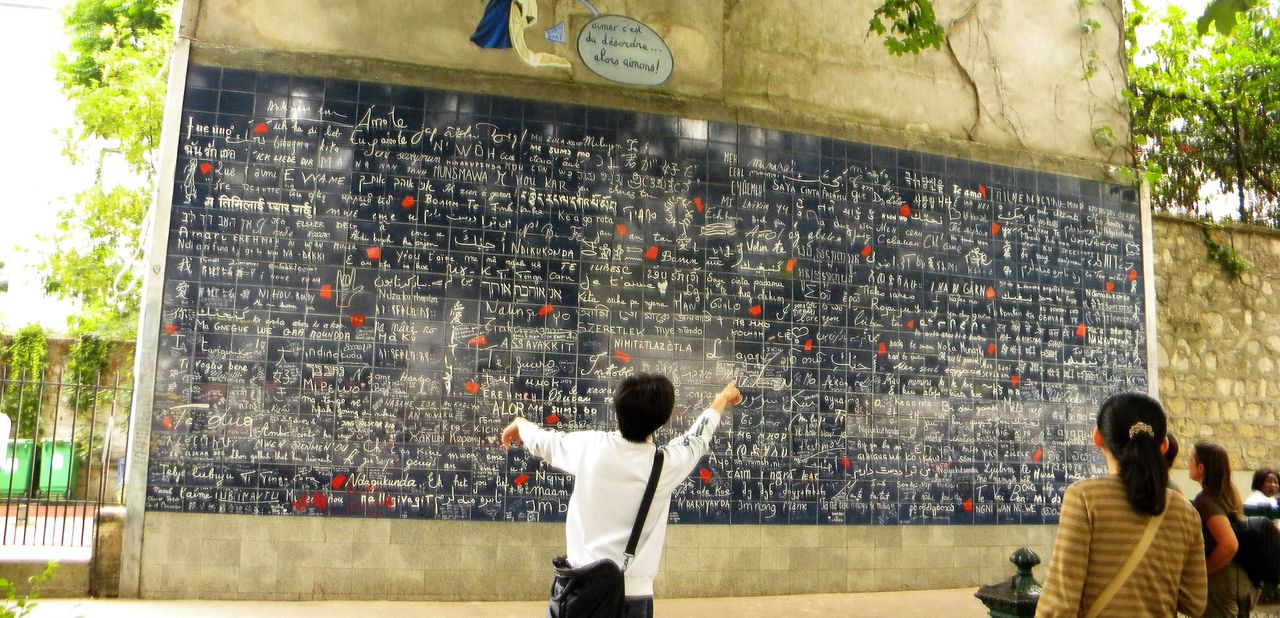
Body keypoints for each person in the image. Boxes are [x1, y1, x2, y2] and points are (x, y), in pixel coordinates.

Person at [500, 374, 740, 618]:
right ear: (663, 419)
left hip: (579, 590)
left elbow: (544, 441)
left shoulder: (590, 447)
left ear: (618, 409)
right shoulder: (665, 465)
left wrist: (521, 424)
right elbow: (698, 436)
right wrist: (722, 399)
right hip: (634, 595)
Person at [1037, 393, 1207, 617]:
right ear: (1163, 445)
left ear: (1097, 438)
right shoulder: (1186, 513)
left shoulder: (1084, 498)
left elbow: (1060, 605)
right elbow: (1195, 602)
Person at [1192, 441, 1259, 617]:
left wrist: (1203, 572)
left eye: (1190, 459)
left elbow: (1229, 544)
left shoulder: (1206, 500)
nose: (1187, 463)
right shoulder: (1231, 492)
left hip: (1222, 585)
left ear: (1200, 468)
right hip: (1244, 580)